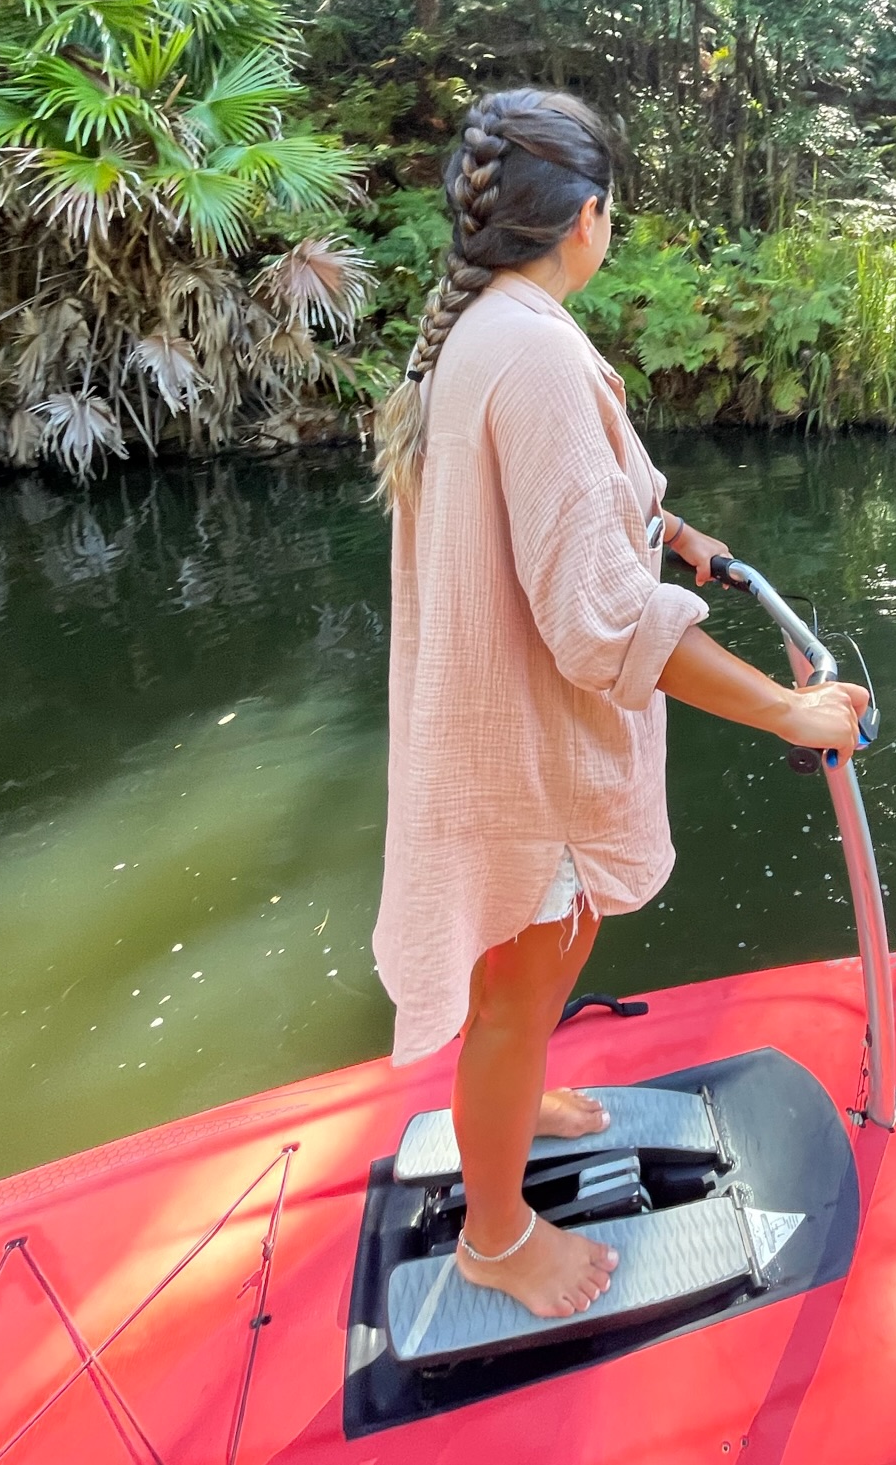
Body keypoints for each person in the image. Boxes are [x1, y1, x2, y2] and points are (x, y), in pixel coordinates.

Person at [370, 88, 868, 1323]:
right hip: (525, 753)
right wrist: (788, 712)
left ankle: (516, 1096)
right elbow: (600, 620)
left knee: (543, 957)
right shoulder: (533, 351)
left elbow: (569, 512)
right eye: (614, 213)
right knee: (520, 981)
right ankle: (495, 1238)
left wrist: (670, 529)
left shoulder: (490, 326)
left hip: (492, 730)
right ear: (586, 217)